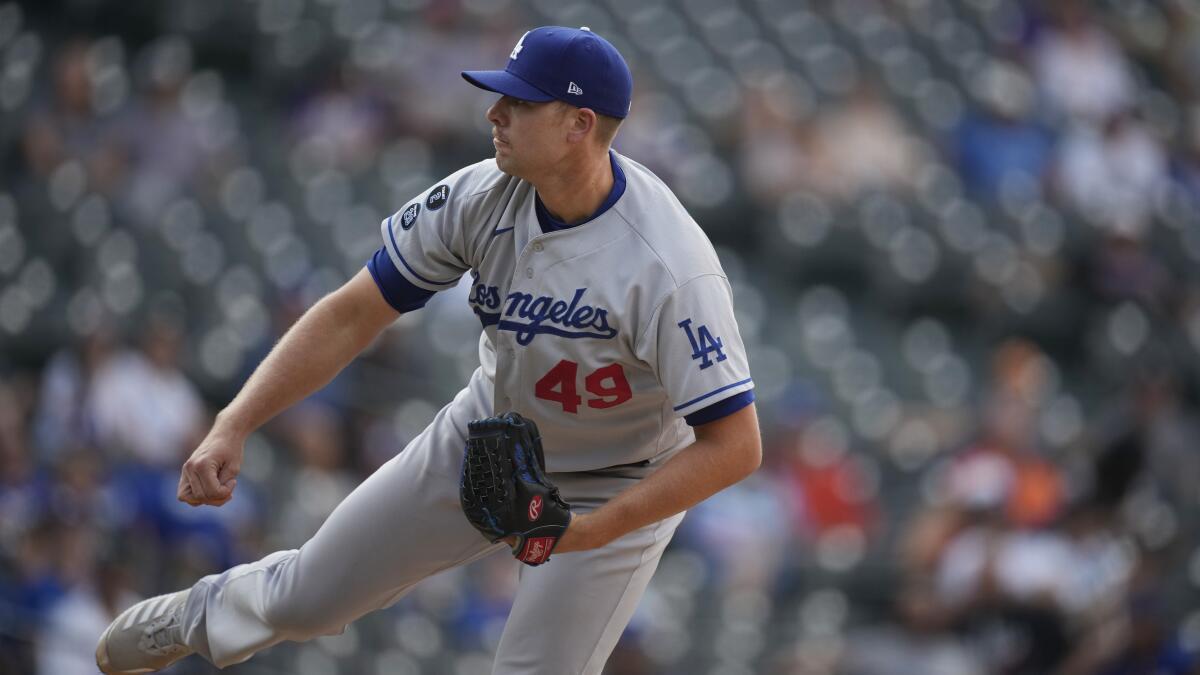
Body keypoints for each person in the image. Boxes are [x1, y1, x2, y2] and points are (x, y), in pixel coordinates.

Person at [95, 26, 761, 675]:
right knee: (308, 595)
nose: (494, 112)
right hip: (491, 434)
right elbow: (353, 313)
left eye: (521, 102)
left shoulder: (669, 266)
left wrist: (594, 530)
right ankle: (194, 617)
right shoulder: (481, 195)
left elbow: (736, 445)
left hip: (619, 479)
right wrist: (235, 421)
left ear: (579, 125)